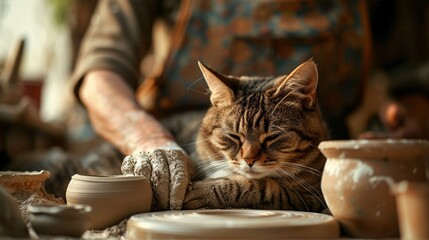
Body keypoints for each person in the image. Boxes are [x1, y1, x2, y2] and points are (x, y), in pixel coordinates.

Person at [71, 0, 370, 210]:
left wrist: (406, 111)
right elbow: (99, 72)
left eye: (273, 139)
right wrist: (149, 140)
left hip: (329, 155)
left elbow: (407, 70)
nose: (250, 157)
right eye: (239, 142)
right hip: (168, 135)